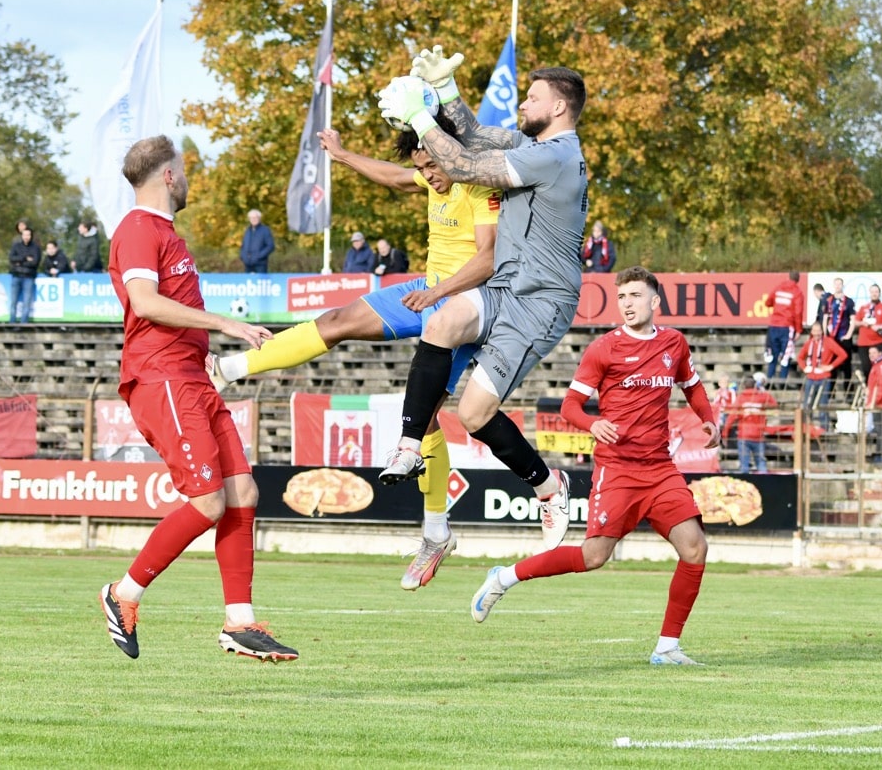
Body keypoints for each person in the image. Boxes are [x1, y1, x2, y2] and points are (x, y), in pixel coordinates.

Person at [211, 113, 501, 590]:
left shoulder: (479, 186)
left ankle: (435, 533)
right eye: (421, 167)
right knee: (335, 321)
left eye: (431, 166)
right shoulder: (432, 178)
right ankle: (229, 368)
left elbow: (488, 258)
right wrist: (343, 156)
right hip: (428, 290)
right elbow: (395, 178)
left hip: (462, 306)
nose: (427, 176)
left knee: (425, 420)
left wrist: (438, 293)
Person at [375, 54, 588, 551]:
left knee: (473, 415)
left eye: (533, 96)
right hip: (504, 287)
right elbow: (472, 137)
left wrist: (420, 116)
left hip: (539, 303)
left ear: (558, 106)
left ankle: (549, 487)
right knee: (443, 321)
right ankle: (409, 446)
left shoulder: (554, 157)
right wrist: (445, 91)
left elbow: (463, 165)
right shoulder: (531, 143)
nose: (522, 102)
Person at [98, 134, 298, 662]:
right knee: (207, 501)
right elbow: (145, 302)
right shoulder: (139, 228)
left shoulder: (164, 233)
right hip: (162, 378)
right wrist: (225, 325)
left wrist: (203, 347)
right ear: (168, 176)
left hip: (190, 374)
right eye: (183, 170)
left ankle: (240, 622)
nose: (187, 178)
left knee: (242, 493)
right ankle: (123, 593)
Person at [468, 266, 718, 665]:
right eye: (621, 297)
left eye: (635, 296)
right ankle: (503, 577)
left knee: (694, 548)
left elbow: (692, 386)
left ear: (655, 301)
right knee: (593, 556)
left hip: (660, 469)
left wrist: (707, 417)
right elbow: (570, 405)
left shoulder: (675, 344)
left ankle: (667, 648)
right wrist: (593, 422)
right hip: (618, 470)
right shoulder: (604, 349)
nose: (627, 304)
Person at [723, 372, 777, 474]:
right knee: (761, 464)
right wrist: (762, 406)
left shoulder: (741, 398)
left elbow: (731, 417)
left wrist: (725, 433)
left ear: (744, 386)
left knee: (744, 466)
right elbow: (774, 404)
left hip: (744, 436)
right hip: (758, 435)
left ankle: (746, 488)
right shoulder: (762, 396)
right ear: (755, 385)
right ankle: (765, 487)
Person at [796, 321, 846, 428]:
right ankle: (806, 428)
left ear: (822, 332)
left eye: (818, 331)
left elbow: (843, 354)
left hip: (824, 378)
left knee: (823, 405)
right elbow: (800, 357)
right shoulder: (809, 343)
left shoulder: (828, 342)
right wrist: (805, 368)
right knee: (807, 405)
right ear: (812, 332)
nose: (816, 333)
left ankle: (824, 429)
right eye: (814, 331)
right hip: (810, 378)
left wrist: (831, 366)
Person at [763, 271, 804, 383]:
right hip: (787, 326)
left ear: (788, 277)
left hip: (773, 325)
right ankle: (782, 381)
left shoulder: (779, 287)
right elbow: (798, 312)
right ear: (798, 280)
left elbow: (767, 302)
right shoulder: (797, 292)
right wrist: (799, 330)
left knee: (773, 354)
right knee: (786, 355)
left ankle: (769, 379)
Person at [849, 283, 882, 377]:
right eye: (872, 292)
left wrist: (880, 326)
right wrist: (862, 323)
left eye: (876, 292)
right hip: (864, 343)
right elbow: (855, 322)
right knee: (866, 367)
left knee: (881, 366)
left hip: (879, 341)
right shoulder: (863, 308)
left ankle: (881, 388)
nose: (874, 294)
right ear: (869, 293)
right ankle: (869, 387)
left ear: (879, 293)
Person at [822, 277, 855, 398]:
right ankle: (831, 391)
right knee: (832, 365)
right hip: (832, 338)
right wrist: (825, 334)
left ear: (842, 285)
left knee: (847, 366)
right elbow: (825, 318)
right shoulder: (829, 301)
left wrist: (848, 335)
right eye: (836, 284)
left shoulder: (849, 301)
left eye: (840, 284)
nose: (838, 286)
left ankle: (848, 392)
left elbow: (853, 320)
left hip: (844, 337)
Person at [864, 345, 882, 461]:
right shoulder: (877, 365)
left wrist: (874, 402)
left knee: (880, 428)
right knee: (878, 428)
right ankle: (880, 453)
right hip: (876, 402)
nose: (871, 355)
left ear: (880, 353)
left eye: (873, 352)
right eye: (869, 353)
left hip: (879, 404)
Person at [9, 226, 41, 323]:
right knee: (13, 302)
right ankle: (12, 322)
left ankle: (23, 323)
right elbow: (12, 259)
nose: (26, 237)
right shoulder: (16, 246)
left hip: (29, 277)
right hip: (16, 275)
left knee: (26, 302)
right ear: (21, 235)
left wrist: (20, 261)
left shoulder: (35, 248)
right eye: (24, 235)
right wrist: (25, 258)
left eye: (28, 235)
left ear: (31, 236)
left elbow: (34, 262)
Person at [239, 209, 275, 273]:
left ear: (259, 218)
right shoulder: (247, 231)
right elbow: (243, 246)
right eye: (251, 218)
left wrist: (259, 256)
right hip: (248, 265)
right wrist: (243, 257)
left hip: (260, 265)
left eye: (255, 217)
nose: (253, 219)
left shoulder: (265, 230)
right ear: (249, 219)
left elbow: (270, 246)